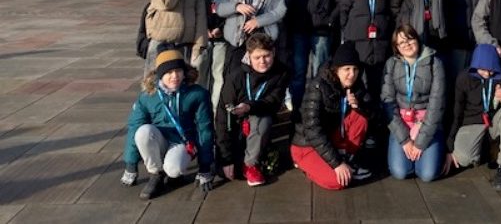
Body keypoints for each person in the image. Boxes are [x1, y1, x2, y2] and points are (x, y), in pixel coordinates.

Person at [121, 45, 214, 200]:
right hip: (159, 139)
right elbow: (134, 126)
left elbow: (205, 128)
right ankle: (155, 174)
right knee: (142, 132)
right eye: (168, 72)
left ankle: (171, 171)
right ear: (160, 75)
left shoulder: (197, 94)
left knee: (173, 170)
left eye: (178, 71)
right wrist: (131, 164)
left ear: (184, 72)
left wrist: (205, 167)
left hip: (182, 142)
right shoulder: (148, 96)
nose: (174, 76)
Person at [291, 41, 373, 190]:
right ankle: (307, 165)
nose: (352, 74)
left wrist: (359, 106)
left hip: (330, 140)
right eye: (346, 69)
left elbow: (371, 114)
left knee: (360, 118)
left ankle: (347, 161)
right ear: (336, 70)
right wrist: (337, 164)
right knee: (338, 181)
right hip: (307, 145)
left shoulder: (356, 85)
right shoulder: (318, 86)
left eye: (355, 69)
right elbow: (312, 129)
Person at [445, 44, 501, 192]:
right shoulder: (464, 78)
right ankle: (485, 150)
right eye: (482, 69)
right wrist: (449, 146)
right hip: (472, 123)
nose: (487, 74)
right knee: (463, 158)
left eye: (490, 70)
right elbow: (457, 112)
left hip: (495, 122)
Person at [217, 34, 290, 186]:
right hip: (236, 126)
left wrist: (249, 106)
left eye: (266, 56)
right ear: (248, 56)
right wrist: (226, 159)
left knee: (262, 118)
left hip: (261, 121)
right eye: (257, 57)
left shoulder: (281, 72)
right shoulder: (235, 76)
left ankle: (251, 165)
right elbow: (223, 117)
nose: (262, 61)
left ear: (274, 53)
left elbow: (273, 102)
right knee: (227, 171)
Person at [382, 25, 446, 182]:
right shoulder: (391, 64)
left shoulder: (435, 63)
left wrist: (420, 142)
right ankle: (411, 158)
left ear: (417, 39)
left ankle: (433, 152)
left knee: (427, 175)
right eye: (401, 43)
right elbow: (387, 102)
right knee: (399, 172)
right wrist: (405, 140)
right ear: (396, 47)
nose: (407, 45)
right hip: (402, 121)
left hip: (426, 121)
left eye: (410, 39)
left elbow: (437, 103)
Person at [287, 0, 338, 111]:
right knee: (299, 72)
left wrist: (329, 20)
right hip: (300, 29)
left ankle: (315, 108)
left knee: (318, 72)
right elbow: (295, 1)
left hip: (321, 31)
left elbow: (337, 4)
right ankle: (297, 108)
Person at [339, 0, 393, 107]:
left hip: (379, 42)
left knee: (377, 83)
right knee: (358, 83)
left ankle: (374, 118)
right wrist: (346, 31)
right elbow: (344, 9)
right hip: (358, 41)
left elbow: (390, 12)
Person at [196, 0, 235, 114]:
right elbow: (199, 9)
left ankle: (214, 111)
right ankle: (200, 109)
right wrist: (205, 29)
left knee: (218, 74)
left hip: (222, 37)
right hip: (205, 36)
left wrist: (221, 28)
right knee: (200, 74)